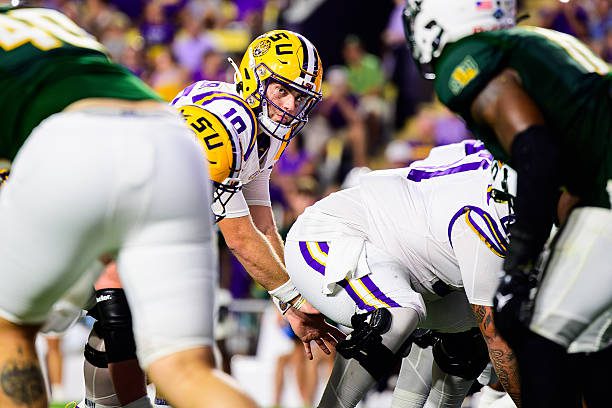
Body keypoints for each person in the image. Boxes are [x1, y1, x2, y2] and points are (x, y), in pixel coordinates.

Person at [0, 6, 255, 408]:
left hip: (77, 143)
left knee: (9, 331)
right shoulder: (51, 21)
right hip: (171, 138)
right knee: (187, 370)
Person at [78, 29, 345, 407]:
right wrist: (292, 300)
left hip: (143, 241)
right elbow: (239, 238)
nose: (290, 106)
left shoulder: (262, 136)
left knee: (142, 340)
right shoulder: (228, 121)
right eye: (282, 90)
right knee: (151, 338)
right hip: (102, 223)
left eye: (300, 97)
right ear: (255, 78)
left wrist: (298, 296)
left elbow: (263, 227)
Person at [403, 1, 612, 407]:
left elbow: (536, 152)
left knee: (539, 339)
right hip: (600, 190)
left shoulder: (465, 60)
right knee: (590, 342)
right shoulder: (533, 42)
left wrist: (519, 264)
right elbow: (572, 174)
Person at [283, 140, 521, 407]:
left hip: (402, 260)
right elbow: (499, 342)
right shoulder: (486, 220)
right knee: (398, 313)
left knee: (468, 330)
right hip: (329, 236)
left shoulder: (491, 157)